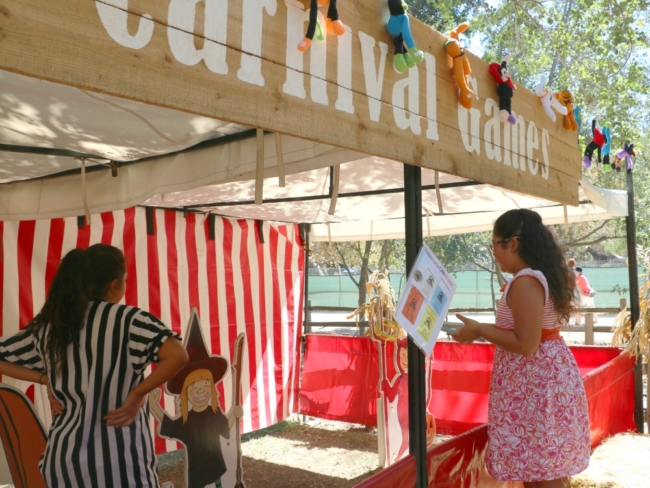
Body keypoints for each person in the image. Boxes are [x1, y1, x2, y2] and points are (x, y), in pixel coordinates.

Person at [0, 244, 189, 487]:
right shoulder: (129, 320)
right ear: (113, 285)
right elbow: (177, 355)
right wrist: (137, 394)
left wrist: (45, 378)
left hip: (64, 461)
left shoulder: (51, 327)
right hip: (121, 464)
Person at [451, 209, 590, 488]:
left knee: (543, 471)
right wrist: (481, 327)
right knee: (537, 467)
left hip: (536, 384)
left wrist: (480, 330)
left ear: (511, 244)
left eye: (494, 245)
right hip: (539, 381)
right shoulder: (534, 277)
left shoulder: (526, 281)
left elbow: (526, 344)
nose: (493, 253)